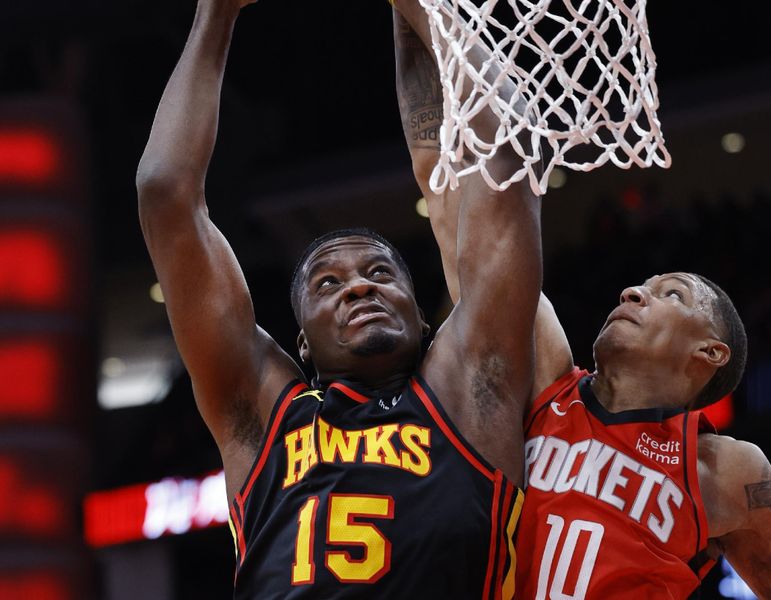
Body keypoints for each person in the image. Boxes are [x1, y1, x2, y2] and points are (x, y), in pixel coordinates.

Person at [394, 4, 771, 600]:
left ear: (710, 352)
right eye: (643, 284)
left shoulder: (726, 471)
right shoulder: (543, 382)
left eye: (671, 294)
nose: (634, 290)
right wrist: (411, 19)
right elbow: (441, 178)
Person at [136, 0, 540, 597]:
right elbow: (164, 191)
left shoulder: (472, 391)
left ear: (422, 315)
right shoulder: (260, 419)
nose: (359, 284)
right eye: (327, 283)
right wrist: (215, 15)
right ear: (300, 338)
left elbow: (506, 150)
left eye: (381, 272)